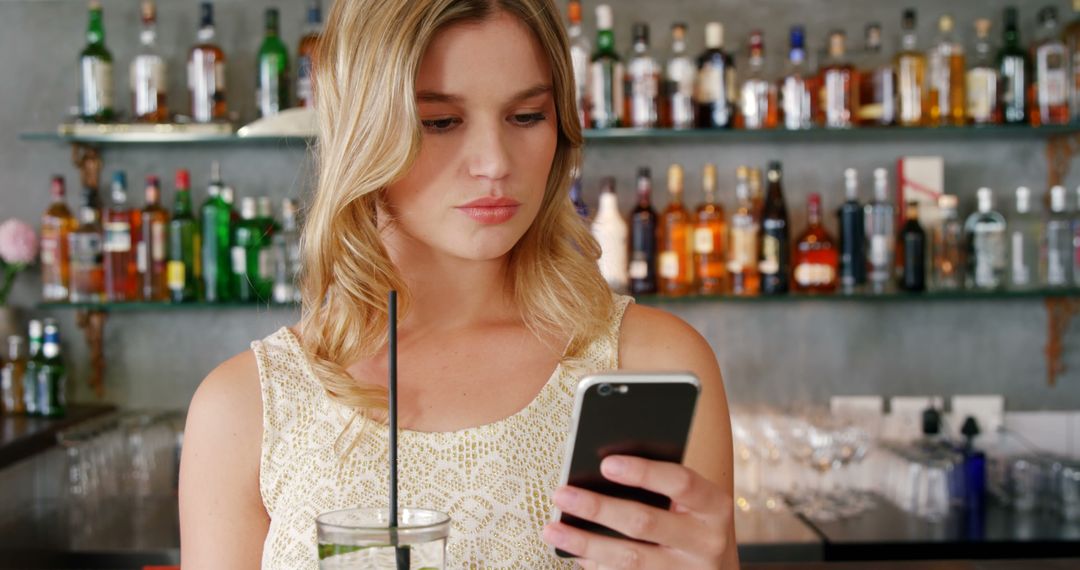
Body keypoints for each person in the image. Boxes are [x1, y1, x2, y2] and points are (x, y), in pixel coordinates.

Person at [178, 0, 737, 568]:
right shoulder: (244, 408)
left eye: (526, 116)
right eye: (440, 122)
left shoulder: (648, 361)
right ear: (361, 132)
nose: (495, 162)